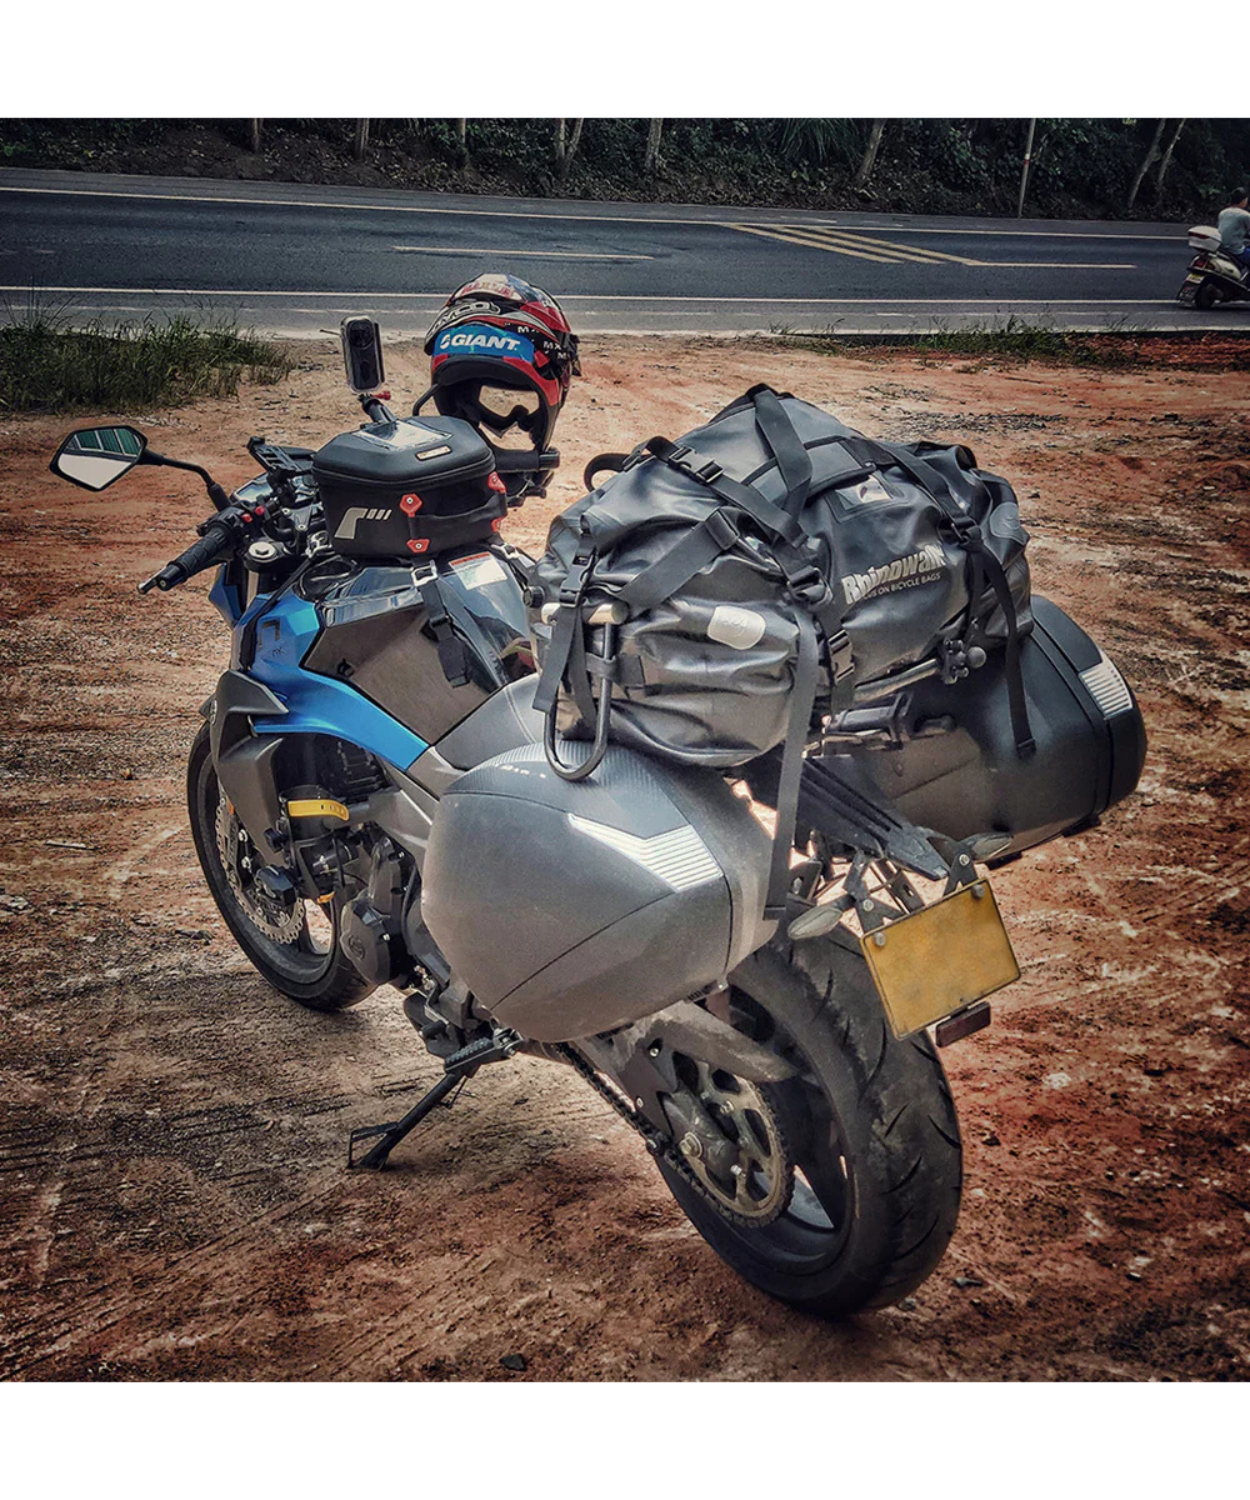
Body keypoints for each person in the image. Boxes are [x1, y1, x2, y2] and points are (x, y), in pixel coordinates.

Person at [1217, 188, 1250, 277]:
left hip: (1221, 248)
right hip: (1235, 250)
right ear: (1243, 201)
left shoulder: (1223, 213)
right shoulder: (1245, 215)